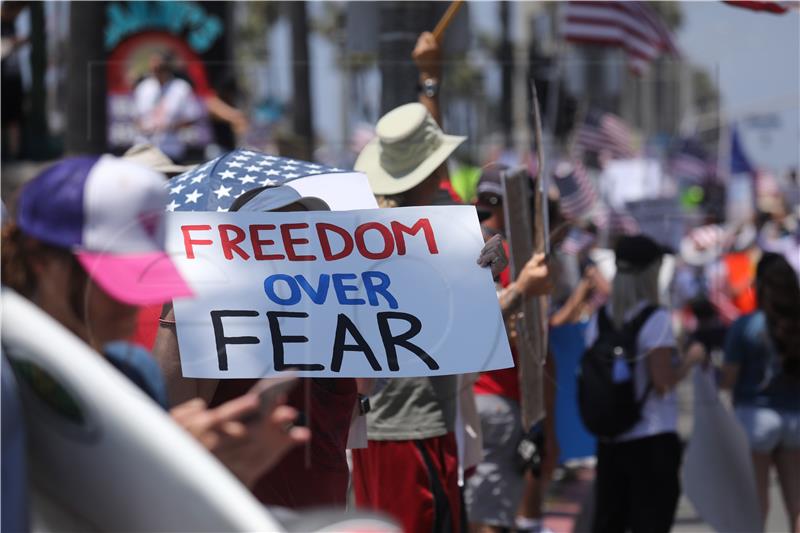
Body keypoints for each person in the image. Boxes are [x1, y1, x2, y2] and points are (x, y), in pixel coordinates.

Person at [1, 155, 308, 489]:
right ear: (41, 260)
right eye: (110, 278)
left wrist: (208, 475)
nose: (130, 301)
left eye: (144, 277)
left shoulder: (134, 374)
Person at [350, 32, 508, 533]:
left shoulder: (358, 224)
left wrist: (429, 77)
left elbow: (421, 144)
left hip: (376, 427)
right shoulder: (436, 225)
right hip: (411, 426)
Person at [152, 184, 358, 510]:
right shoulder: (215, 320)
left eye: (301, 230)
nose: (290, 242)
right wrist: (179, 310)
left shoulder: (338, 319)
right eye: (273, 232)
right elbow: (174, 411)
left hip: (323, 517)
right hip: (241, 514)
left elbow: (365, 391)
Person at [585, 235, 704, 533]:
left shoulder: (599, 320)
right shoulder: (656, 319)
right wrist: (690, 359)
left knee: (611, 522)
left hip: (611, 439)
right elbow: (663, 382)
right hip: (652, 439)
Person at [465, 164, 555, 533]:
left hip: (468, 398)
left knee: (477, 511)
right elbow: (524, 335)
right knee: (488, 517)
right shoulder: (516, 260)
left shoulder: (459, 244)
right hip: (495, 396)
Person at [720, 252, 800, 531]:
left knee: (757, 500)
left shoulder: (745, 326)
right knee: (796, 503)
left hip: (755, 417)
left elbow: (728, 379)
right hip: (795, 418)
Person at [134, 52, 202, 162]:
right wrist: (143, 127)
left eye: (160, 68)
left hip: (170, 150)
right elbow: (136, 117)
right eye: (153, 68)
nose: (156, 71)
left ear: (168, 67)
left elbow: (192, 117)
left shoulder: (181, 88)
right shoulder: (143, 87)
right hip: (145, 149)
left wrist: (170, 126)